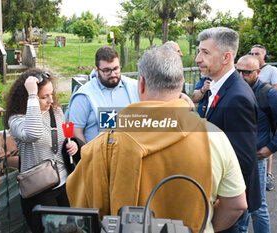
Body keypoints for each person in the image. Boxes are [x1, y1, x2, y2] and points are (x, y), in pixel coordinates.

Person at [66, 45, 247, 233]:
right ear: (181, 83)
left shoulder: (106, 142)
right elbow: (237, 205)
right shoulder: (214, 137)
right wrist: (205, 227)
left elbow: (81, 204)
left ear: (141, 84)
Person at [195, 27, 260, 233]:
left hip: (228, 207)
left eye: (205, 52)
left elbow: (243, 160)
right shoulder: (220, 86)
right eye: (199, 51)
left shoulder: (237, 97)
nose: (198, 58)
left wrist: (222, 204)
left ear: (226, 57)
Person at [4, 68, 80, 232]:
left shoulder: (57, 111)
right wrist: (32, 94)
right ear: (27, 98)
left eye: (51, 94)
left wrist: (72, 145)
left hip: (64, 184)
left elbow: (61, 140)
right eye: (44, 97)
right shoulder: (17, 120)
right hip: (39, 189)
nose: (50, 101)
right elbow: (33, 133)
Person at [236, 55, 277, 233]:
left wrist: (271, 147)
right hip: (237, 158)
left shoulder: (268, 94)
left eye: (246, 72)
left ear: (258, 72)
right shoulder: (236, 90)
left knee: (258, 206)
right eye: (238, 71)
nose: (241, 76)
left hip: (256, 159)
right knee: (240, 204)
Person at [66, 46, 139, 143]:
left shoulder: (135, 88)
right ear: (96, 70)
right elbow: (76, 132)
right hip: (98, 156)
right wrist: (89, 155)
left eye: (116, 68)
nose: (113, 74)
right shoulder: (84, 96)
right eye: (106, 70)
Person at [249, 44, 277, 191]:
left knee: (265, 142)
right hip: (250, 110)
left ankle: (268, 174)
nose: (254, 55)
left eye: (257, 53)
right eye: (252, 53)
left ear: (264, 56)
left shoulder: (272, 70)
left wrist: (262, 94)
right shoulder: (247, 68)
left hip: (265, 110)